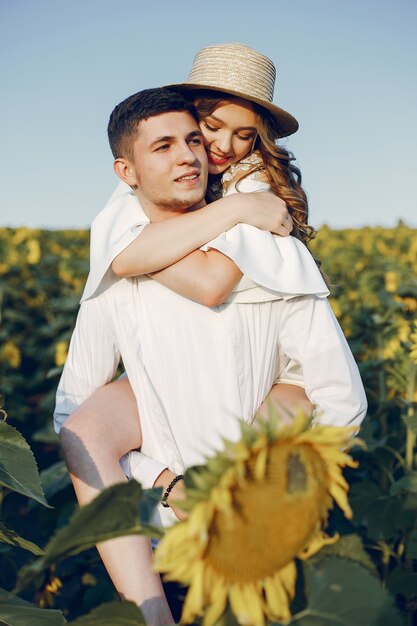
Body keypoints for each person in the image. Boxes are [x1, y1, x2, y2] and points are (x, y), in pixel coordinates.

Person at [55, 82, 366, 626]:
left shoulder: (270, 256)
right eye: (165, 147)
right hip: (156, 552)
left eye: (193, 141)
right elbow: (76, 419)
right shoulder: (118, 264)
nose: (191, 156)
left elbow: (338, 399)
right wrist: (165, 482)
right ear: (127, 174)